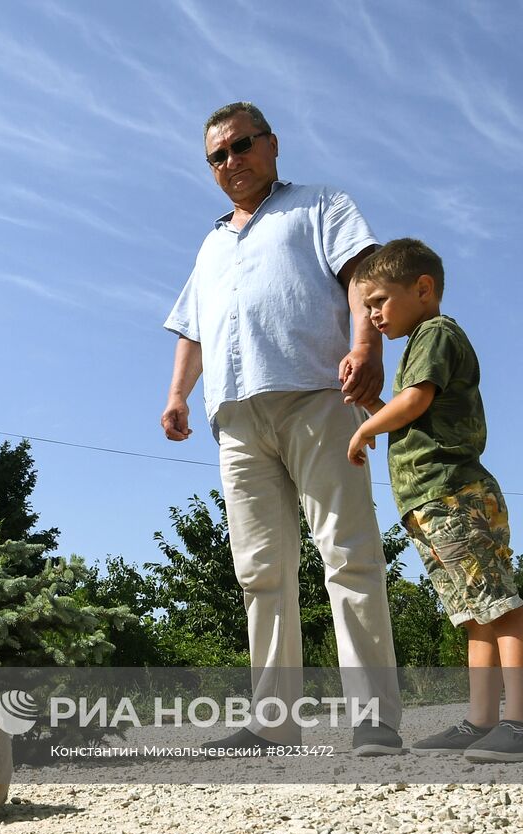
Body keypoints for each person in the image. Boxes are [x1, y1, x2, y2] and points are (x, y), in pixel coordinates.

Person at [162, 101, 403, 756]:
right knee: (259, 570)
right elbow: (193, 326)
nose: (230, 162)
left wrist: (369, 347)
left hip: (317, 396)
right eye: (217, 155)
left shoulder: (321, 205)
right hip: (236, 417)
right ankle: (273, 720)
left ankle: (374, 717)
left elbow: (364, 275)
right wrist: (178, 393)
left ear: (271, 145)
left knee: (347, 552)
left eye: (241, 146)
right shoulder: (211, 244)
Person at [348, 238, 523, 762]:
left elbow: (416, 401)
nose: (372, 317)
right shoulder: (422, 341)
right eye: (366, 307)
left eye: (379, 303)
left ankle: (521, 725)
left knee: (498, 605)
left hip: (452, 495)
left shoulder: (435, 332)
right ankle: (482, 722)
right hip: (435, 500)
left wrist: (366, 426)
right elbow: (416, 413)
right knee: (473, 613)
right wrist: (372, 403)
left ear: (423, 289)